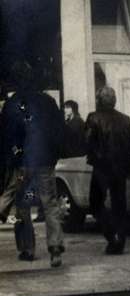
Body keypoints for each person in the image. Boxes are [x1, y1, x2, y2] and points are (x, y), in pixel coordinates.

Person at [0, 60, 65, 266]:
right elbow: (58, 132)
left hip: (22, 164)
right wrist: (52, 156)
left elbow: (6, 137)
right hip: (44, 161)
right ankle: (55, 248)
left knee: (23, 206)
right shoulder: (47, 102)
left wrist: (11, 160)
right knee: (50, 204)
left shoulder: (12, 105)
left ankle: (27, 249)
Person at [85, 85, 130, 255]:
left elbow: (87, 143)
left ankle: (111, 235)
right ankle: (120, 240)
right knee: (119, 204)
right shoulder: (126, 119)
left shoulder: (93, 118)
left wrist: (95, 156)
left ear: (99, 100)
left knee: (95, 203)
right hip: (120, 168)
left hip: (101, 167)